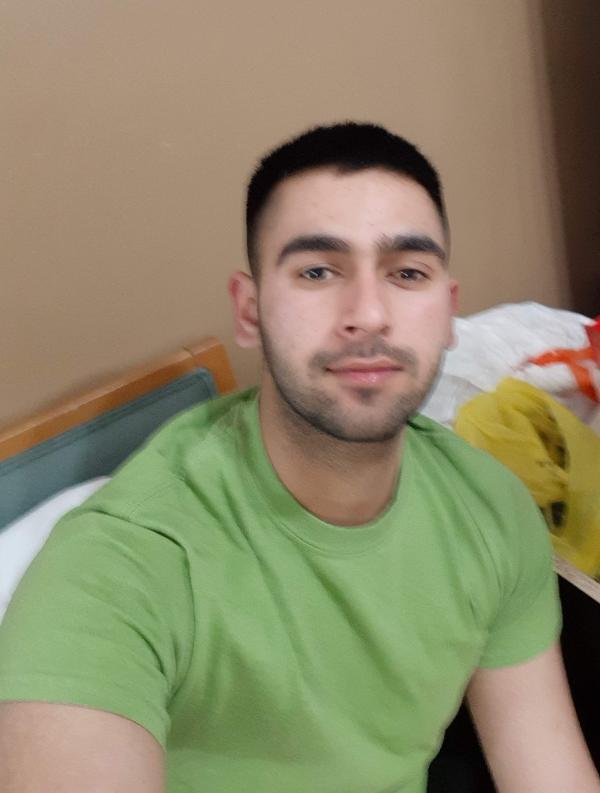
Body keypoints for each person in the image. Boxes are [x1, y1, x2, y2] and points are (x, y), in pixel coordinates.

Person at [0, 122, 598, 793]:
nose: (369, 314)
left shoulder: (491, 508)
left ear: (447, 313)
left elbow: (543, 761)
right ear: (250, 310)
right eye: (317, 270)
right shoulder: (121, 565)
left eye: (407, 273)